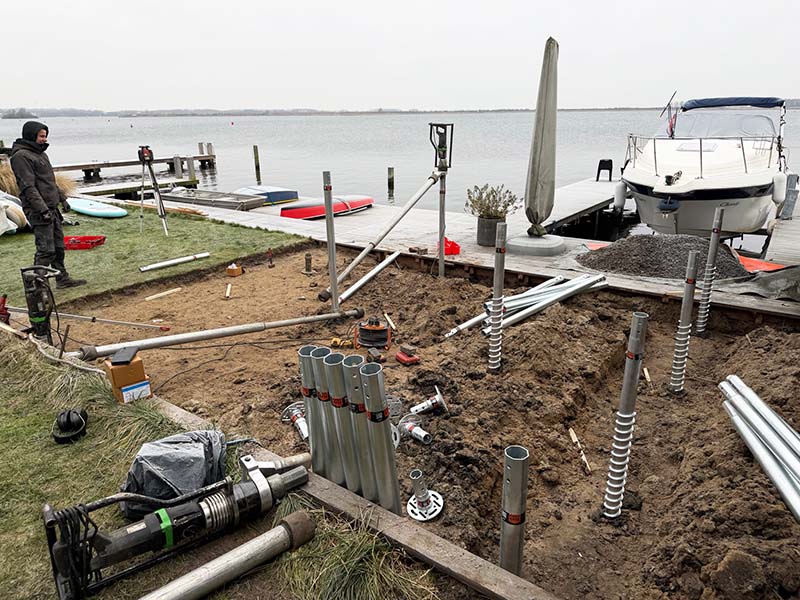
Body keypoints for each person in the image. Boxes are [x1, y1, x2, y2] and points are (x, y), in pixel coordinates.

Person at [10, 121, 85, 288]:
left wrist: (62, 199)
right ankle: (37, 286)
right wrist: (42, 209)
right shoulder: (21, 157)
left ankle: (62, 278)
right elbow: (28, 187)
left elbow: (49, 181)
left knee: (59, 247)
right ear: (31, 135)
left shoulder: (41, 154)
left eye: (45, 136)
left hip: (52, 208)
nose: (44, 139)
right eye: (41, 136)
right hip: (39, 211)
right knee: (46, 250)